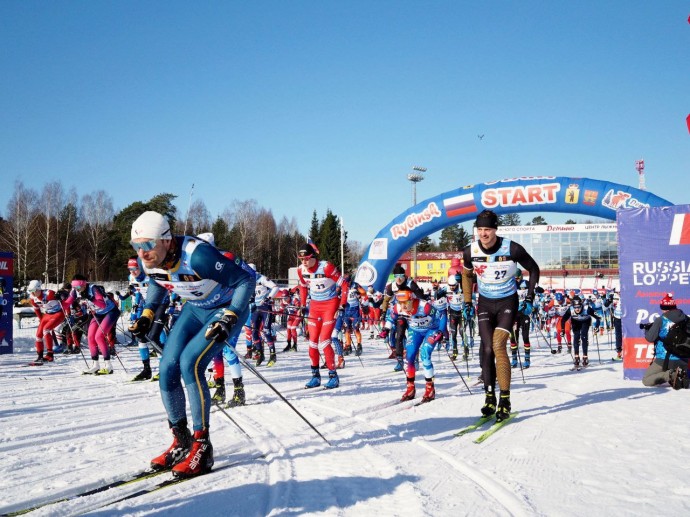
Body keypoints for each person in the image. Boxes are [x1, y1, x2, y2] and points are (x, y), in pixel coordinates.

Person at [128, 211, 255, 478]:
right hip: (196, 309)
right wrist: (147, 314)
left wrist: (231, 317)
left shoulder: (197, 255)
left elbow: (245, 280)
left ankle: (202, 446)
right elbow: (158, 282)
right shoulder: (152, 258)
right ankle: (181, 440)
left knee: (190, 364)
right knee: (166, 368)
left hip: (225, 307)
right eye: (136, 246)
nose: (142, 253)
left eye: (148, 244)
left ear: (166, 240)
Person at [461, 209, 540, 421]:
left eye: (488, 229)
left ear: (495, 229)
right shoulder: (470, 251)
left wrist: (530, 298)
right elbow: (467, 274)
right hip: (485, 303)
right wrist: (467, 300)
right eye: (480, 229)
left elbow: (534, 269)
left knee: (498, 345)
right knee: (487, 349)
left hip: (507, 301)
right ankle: (489, 396)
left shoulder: (512, 248)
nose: (484, 234)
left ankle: (505, 399)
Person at [297, 242, 347, 389]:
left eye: (306, 258)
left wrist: (342, 304)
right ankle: (315, 376)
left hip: (330, 305)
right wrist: (302, 305)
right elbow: (303, 287)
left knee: (324, 341)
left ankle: (333, 376)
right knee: (312, 343)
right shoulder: (301, 270)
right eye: (301, 259)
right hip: (314, 306)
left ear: (313, 256)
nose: (304, 262)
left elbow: (344, 284)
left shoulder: (326, 267)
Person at [386, 290, 442, 402]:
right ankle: (410, 388)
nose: (403, 306)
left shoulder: (424, 306)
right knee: (409, 356)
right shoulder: (398, 307)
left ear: (412, 300)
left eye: (406, 303)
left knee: (424, 354)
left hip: (430, 330)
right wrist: (385, 329)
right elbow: (390, 318)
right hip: (415, 331)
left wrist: (441, 331)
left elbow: (440, 315)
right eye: (400, 303)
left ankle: (430, 388)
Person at [66, 274, 121, 374]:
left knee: (99, 337)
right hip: (98, 314)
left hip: (110, 312)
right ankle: (95, 365)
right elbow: (66, 303)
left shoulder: (93, 289)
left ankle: (108, 366)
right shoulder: (75, 291)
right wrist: (59, 299)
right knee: (90, 337)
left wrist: (91, 298)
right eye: (74, 287)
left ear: (83, 284)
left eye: (78, 287)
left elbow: (103, 305)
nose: (76, 289)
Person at [379, 264, 427, 372]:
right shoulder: (391, 286)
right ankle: (400, 360)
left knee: (412, 338)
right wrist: (383, 313)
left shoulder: (410, 284)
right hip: (399, 311)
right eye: (396, 276)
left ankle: (414, 359)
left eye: (401, 276)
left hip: (412, 313)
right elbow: (386, 300)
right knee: (399, 335)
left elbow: (421, 298)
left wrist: (423, 310)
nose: (399, 279)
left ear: (404, 276)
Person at [642, 294, 689, 389]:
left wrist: (647, 330)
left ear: (664, 309)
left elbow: (650, 338)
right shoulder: (686, 319)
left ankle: (669, 374)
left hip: (664, 360)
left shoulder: (661, 320)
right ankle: (680, 375)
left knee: (646, 380)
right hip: (683, 359)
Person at [248, 263, 280, 367]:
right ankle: (260, 354)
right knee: (254, 333)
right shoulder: (248, 280)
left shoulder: (262, 278)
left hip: (265, 308)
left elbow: (275, 288)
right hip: (256, 309)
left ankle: (273, 355)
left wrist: (268, 298)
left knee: (266, 331)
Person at [28, 279, 65, 364]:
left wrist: (61, 296)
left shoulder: (49, 293)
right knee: (38, 335)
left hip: (58, 314)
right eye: (30, 291)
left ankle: (50, 355)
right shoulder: (32, 298)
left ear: (39, 289)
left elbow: (64, 297)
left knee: (46, 329)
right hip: (47, 315)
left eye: (34, 291)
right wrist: (41, 320)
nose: (33, 293)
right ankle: (40, 356)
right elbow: (37, 310)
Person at [560, 296, 600, 369]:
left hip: (585, 321)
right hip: (575, 322)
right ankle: (576, 357)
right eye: (575, 307)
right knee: (576, 337)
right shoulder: (570, 309)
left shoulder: (587, 309)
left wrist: (597, 327)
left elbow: (598, 317)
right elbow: (563, 320)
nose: (577, 309)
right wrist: (562, 330)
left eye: (579, 307)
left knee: (584, 337)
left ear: (582, 305)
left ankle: (585, 357)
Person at [509, 270, 532, 368]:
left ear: (521, 276)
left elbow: (537, 291)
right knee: (513, 337)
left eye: (518, 278)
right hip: (514, 314)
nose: (517, 280)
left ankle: (527, 359)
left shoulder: (526, 283)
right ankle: (514, 358)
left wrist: (529, 301)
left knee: (525, 336)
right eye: (515, 278)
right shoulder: (510, 284)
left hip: (524, 312)